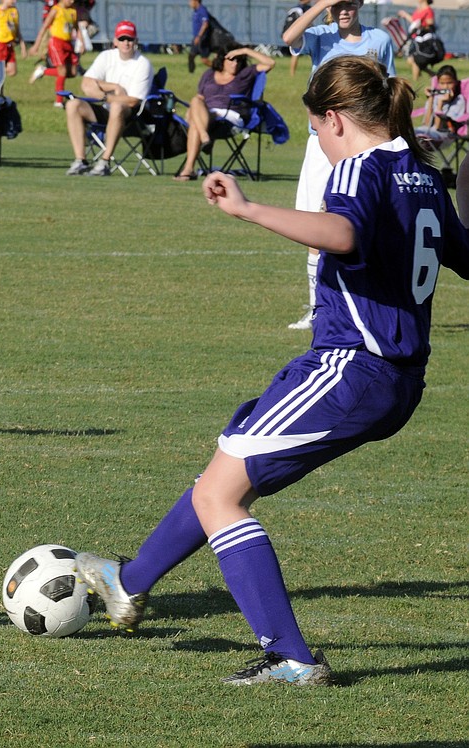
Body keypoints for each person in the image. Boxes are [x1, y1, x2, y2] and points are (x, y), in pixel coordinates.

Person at [76, 54, 469, 686]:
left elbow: (342, 234)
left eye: (315, 129)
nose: (317, 140)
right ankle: (129, 581)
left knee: (219, 494)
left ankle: (291, 658)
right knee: (226, 476)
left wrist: (248, 209)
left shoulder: (360, 170)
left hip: (351, 367)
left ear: (335, 118)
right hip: (396, 379)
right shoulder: (419, 172)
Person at [282, 0, 394, 331]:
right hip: (323, 142)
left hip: (365, 143)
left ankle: (374, 305)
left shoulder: (380, 40)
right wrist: (323, 5)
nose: (345, 10)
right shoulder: (321, 36)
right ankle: (319, 309)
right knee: (313, 224)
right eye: (339, 4)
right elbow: (289, 37)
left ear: (360, 5)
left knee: (371, 222)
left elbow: (389, 90)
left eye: (350, 4)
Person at [173, 44, 275, 182]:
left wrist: (245, 50)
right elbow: (201, 98)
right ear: (222, 60)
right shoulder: (209, 74)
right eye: (231, 59)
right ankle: (204, 140)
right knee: (196, 101)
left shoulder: (246, 73)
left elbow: (271, 63)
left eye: (238, 59)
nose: (235, 63)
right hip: (207, 116)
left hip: (231, 118)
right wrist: (192, 111)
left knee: (195, 120)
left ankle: (189, 167)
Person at [62, 20, 152, 176]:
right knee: (72, 104)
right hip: (104, 110)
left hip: (130, 117)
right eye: (122, 39)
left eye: (130, 39)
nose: (126, 43)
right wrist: (114, 88)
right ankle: (80, 160)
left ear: (136, 41)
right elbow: (86, 84)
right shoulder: (106, 57)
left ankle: (104, 161)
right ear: (115, 41)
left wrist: (103, 95)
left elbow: (133, 100)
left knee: (117, 107)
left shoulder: (143, 64)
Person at [29, 0, 83, 107]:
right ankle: (58, 101)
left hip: (67, 44)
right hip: (56, 42)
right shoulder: (55, 10)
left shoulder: (73, 11)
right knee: (62, 71)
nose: (72, 1)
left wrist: (82, 43)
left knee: (73, 72)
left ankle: (44, 71)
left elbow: (77, 28)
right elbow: (44, 28)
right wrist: (36, 45)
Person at [416, 64, 465, 140]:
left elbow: (438, 127)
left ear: (455, 82)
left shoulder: (459, 100)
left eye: (449, 83)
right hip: (428, 132)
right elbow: (426, 124)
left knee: (420, 137)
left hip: (445, 135)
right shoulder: (436, 97)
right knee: (410, 133)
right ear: (438, 83)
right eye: (442, 83)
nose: (446, 87)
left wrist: (441, 103)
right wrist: (431, 98)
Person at [0, 0, 25, 77]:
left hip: (10, 44)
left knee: (12, 71)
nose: (14, 1)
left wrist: (23, 46)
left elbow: (17, 30)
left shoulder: (14, 11)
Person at [398, 0, 434, 81]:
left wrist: (422, 26)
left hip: (423, 40)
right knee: (410, 60)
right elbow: (414, 21)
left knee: (415, 60)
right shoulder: (418, 9)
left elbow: (430, 25)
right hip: (415, 38)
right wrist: (405, 15)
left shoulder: (428, 10)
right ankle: (432, 74)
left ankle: (416, 81)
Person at [282, 0, 312, 76]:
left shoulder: (298, 8)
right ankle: (292, 73)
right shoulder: (299, 9)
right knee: (295, 53)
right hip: (297, 33)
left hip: (296, 33)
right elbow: (304, 22)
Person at [188, 0, 211, 74]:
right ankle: (191, 73)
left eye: (191, 1)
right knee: (191, 56)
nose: (189, 3)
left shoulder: (202, 10)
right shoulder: (196, 11)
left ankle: (218, 68)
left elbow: (205, 24)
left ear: (196, 1)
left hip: (202, 38)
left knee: (204, 60)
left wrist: (199, 36)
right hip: (196, 38)